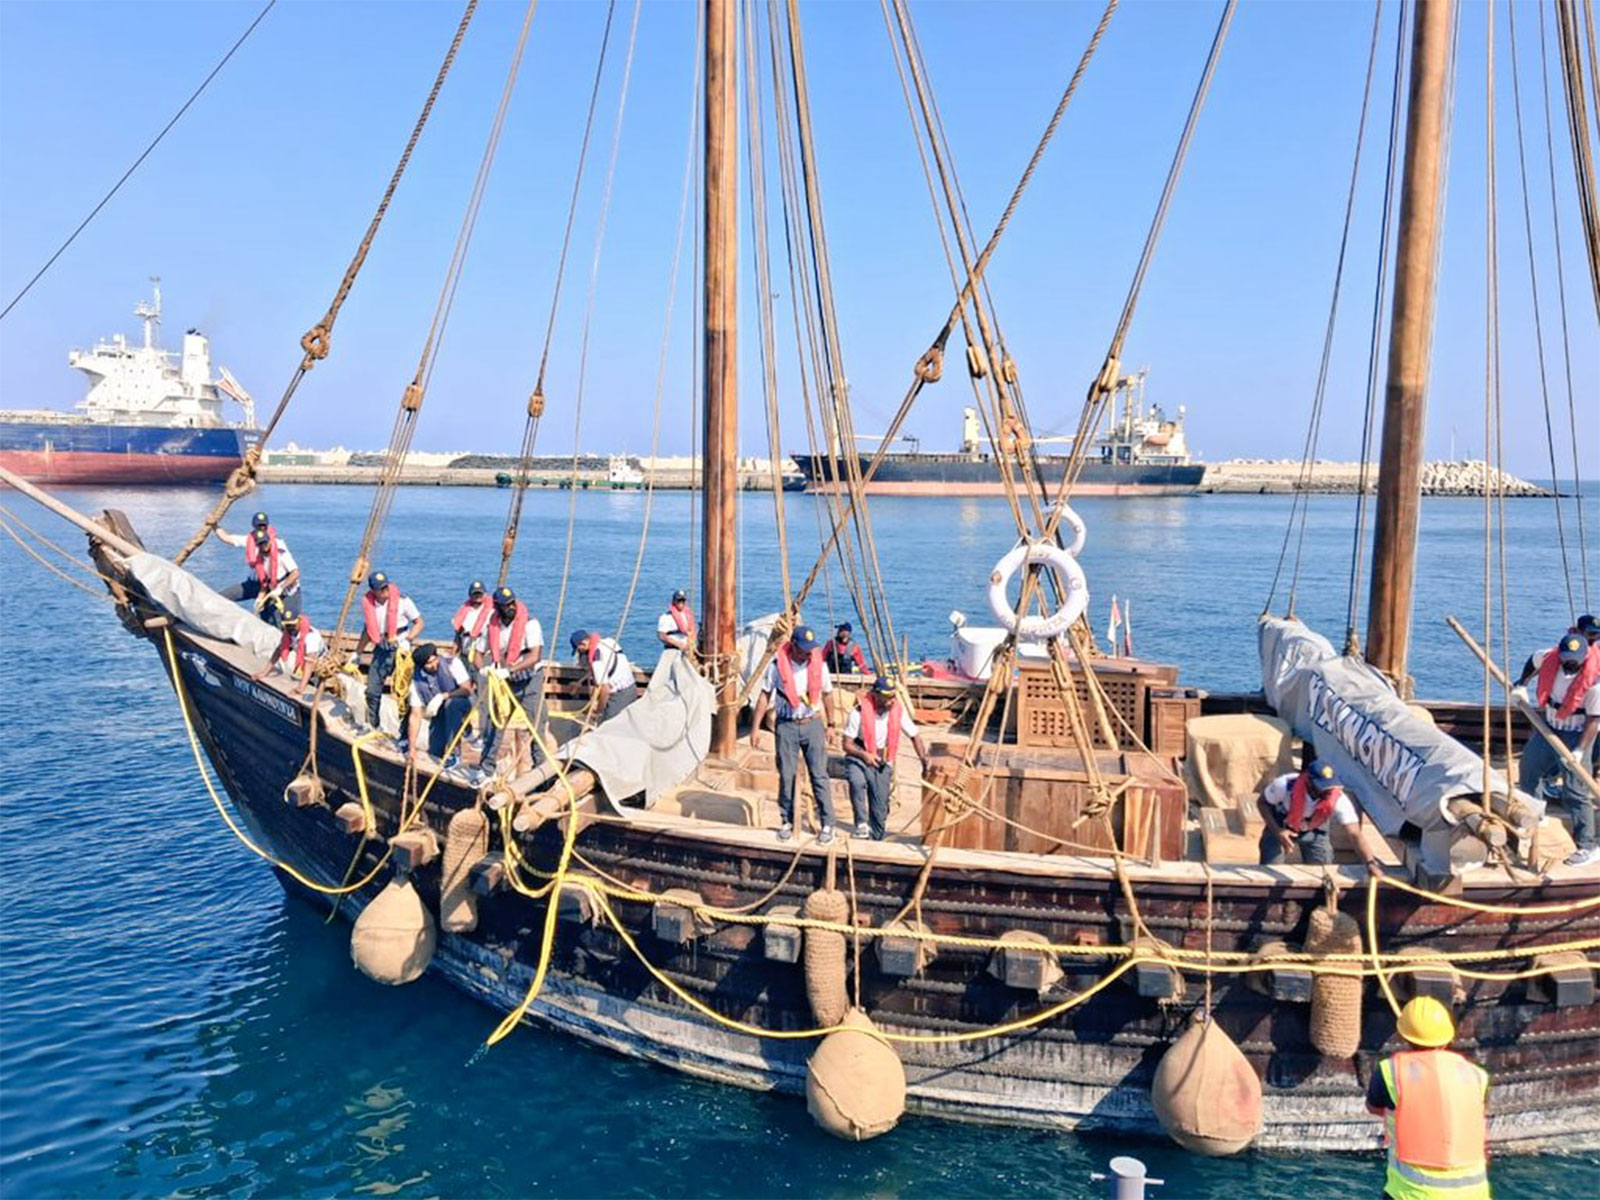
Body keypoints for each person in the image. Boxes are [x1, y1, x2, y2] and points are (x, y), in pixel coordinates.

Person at [1365, 995, 1491, 1200]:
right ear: (1448, 1035)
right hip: (1475, 1194)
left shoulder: (1391, 1071)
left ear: (1404, 1036)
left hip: (1413, 1193)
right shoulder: (1477, 1075)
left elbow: (1373, 1107)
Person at [1516, 632, 1600, 868]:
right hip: (1549, 728)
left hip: (1577, 735)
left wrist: (1580, 752)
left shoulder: (1595, 684)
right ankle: (1535, 813)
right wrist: (1521, 684)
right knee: (1529, 769)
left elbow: (1594, 721)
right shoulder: (1549, 657)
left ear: (1585, 656)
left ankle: (1588, 845)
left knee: (1576, 790)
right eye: (1566, 658)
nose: (1570, 663)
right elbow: (1532, 661)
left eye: (1575, 659)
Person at [750, 625, 836, 843]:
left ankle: (828, 824)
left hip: (813, 724)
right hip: (787, 726)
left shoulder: (819, 666)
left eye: (811, 649)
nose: (809, 653)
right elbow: (764, 696)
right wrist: (755, 728)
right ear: (794, 646)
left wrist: (832, 724)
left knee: (819, 775)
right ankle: (786, 820)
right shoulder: (777, 667)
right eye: (805, 649)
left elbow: (827, 695)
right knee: (787, 775)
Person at [1256, 759, 1388, 872]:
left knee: (1323, 871)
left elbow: (1354, 833)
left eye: (1330, 786)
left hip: (1315, 829)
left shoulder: (1337, 798)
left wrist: (1370, 863)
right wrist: (1277, 831)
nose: (1327, 791)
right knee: (1271, 868)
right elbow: (1262, 803)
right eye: (1322, 786)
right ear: (1309, 781)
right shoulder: (1284, 784)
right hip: (1281, 823)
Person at [839, 675, 929, 840]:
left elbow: (915, 736)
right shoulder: (858, 712)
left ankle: (876, 834)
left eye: (893, 696)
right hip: (860, 754)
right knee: (857, 781)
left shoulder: (897, 711)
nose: (890, 701)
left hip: (882, 760)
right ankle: (861, 824)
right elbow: (846, 744)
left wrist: (923, 759)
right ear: (875, 695)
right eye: (886, 697)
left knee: (880, 809)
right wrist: (864, 755)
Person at [477, 585, 545, 778]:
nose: (511, 607)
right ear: (497, 607)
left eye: (512, 603)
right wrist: (483, 668)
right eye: (506, 605)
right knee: (495, 723)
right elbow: (478, 652)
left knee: (536, 723)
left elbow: (534, 656)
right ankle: (486, 768)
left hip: (529, 681)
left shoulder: (530, 624)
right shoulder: (492, 626)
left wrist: (510, 670)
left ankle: (541, 771)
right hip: (503, 683)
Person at [356, 570, 424, 728]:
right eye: (381, 589)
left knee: (405, 692)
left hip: (400, 647)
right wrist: (357, 652)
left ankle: (405, 731)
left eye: (386, 587)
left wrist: (408, 640)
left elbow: (419, 622)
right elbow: (368, 629)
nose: (385, 590)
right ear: (373, 590)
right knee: (372, 691)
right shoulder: (369, 604)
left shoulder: (403, 601)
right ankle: (373, 726)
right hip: (381, 647)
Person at [215, 511, 301, 628]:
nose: (261, 528)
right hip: (260, 585)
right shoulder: (255, 548)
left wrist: (280, 589)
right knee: (221, 597)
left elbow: (295, 572)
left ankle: (286, 642)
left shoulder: (279, 548)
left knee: (285, 620)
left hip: (284, 588)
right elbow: (226, 537)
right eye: (258, 526)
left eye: (263, 526)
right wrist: (213, 525)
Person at [406, 642, 473, 767]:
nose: (433, 665)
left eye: (434, 660)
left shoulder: (452, 663)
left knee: (451, 705)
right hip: (439, 713)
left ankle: (455, 753)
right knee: (434, 752)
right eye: (428, 664)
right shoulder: (416, 683)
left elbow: (467, 689)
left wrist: (443, 696)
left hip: (461, 703)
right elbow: (415, 715)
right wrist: (412, 748)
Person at [250, 611, 325, 696]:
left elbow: (310, 662)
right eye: (287, 625)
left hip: (320, 665)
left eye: (292, 625)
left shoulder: (311, 637)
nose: (290, 628)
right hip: (305, 663)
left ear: (299, 622)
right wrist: (264, 673)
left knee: (317, 688)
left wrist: (301, 687)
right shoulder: (288, 633)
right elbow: (278, 651)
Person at [571, 628, 638, 722]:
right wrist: (581, 681)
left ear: (582, 644)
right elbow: (608, 668)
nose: (580, 652)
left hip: (620, 695)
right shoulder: (609, 642)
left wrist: (598, 711)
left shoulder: (596, 660)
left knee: (607, 728)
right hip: (631, 687)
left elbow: (605, 690)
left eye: (579, 649)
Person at [451, 580, 494, 661]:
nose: (478, 596)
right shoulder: (465, 612)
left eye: (480, 593)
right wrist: (454, 652)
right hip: (466, 650)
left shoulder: (492, 611)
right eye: (475, 594)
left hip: (483, 653)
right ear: (470, 595)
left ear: (485, 594)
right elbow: (458, 634)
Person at [657, 589, 697, 654]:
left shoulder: (687, 615)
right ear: (674, 601)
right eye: (678, 601)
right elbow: (661, 635)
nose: (681, 603)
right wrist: (678, 644)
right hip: (672, 650)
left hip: (687, 650)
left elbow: (691, 631)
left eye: (682, 600)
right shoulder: (666, 617)